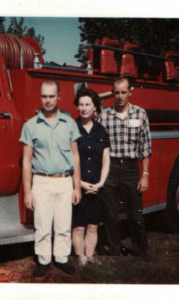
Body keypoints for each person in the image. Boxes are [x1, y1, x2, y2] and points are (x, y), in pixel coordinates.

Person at [20, 79, 81, 278]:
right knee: (42, 225)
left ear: (59, 97)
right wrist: (28, 191)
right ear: (40, 97)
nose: (47, 100)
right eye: (44, 96)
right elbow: (27, 160)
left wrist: (76, 186)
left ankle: (62, 258)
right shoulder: (30, 125)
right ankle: (43, 260)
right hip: (42, 181)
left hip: (64, 181)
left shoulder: (69, 123)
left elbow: (76, 156)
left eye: (51, 96)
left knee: (63, 225)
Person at [99, 76, 152, 260]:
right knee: (111, 213)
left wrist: (144, 175)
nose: (120, 96)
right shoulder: (104, 116)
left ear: (131, 92)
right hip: (111, 168)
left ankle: (141, 251)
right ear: (112, 93)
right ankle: (114, 251)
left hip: (131, 169)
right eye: (116, 93)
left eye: (123, 92)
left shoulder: (140, 114)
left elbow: (145, 147)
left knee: (135, 213)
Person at [72, 88, 111, 266]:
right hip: (78, 186)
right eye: (81, 104)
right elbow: (69, 161)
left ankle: (90, 255)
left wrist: (101, 183)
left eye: (87, 104)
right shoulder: (72, 129)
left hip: (97, 187)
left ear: (94, 107)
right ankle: (80, 257)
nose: (84, 108)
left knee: (93, 225)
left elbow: (106, 159)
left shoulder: (101, 130)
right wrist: (80, 184)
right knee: (79, 226)